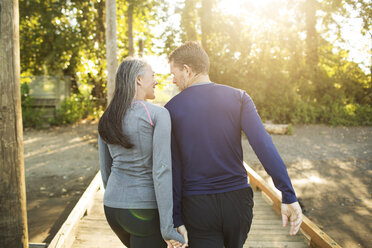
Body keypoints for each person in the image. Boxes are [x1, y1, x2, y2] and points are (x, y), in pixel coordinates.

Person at [165, 42, 302, 248]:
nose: (172, 79)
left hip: (197, 206)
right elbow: (264, 146)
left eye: (173, 73)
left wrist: (176, 217)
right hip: (237, 202)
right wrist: (288, 194)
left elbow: (173, 167)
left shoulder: (171, 109)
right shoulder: (239, 98)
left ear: (187, 69)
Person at [98, 57, 187, 248]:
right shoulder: (157, 114)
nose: (156, 81)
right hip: (143, 211)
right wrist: (167, 227)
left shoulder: (107, 116)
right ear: (139, 79)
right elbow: (162, 171)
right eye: (153, 76)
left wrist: (118, 198)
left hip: (112, 207)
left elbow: (105, 170)